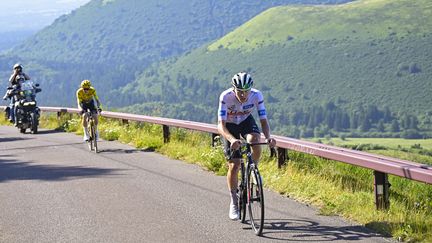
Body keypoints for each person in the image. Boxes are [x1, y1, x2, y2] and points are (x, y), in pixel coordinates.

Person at [217, 71, 276, 220]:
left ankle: (254, 168)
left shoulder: (257, 95)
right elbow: (220, 125)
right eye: (240, 91)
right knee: (234, 165)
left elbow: (263, 120)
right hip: (229, 126)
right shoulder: (225, 97)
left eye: (246, 91)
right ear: (233, 89)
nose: (243, 95)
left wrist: (269, 137)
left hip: (245, 121)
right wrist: (231, 140)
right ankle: (234, 202)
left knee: (254, 140)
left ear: (251, 89)